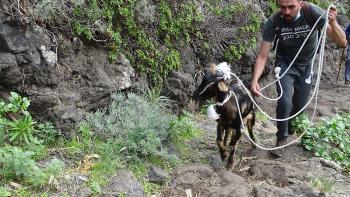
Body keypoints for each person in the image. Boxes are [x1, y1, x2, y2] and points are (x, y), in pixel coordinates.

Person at [250, 0, 347, 156]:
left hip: (306, 65)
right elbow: (262, 55)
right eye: (283, 7)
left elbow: (342, 42)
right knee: (285, 100)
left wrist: (333, 22)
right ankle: (281, 139)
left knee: (299, 107)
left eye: (291, 7)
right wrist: (254, 81)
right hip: (285, 65)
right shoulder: (274, 21)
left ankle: (290, 128)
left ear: (300, 3)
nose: (286, 11)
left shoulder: (313, 13)